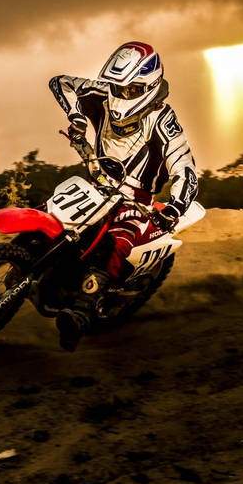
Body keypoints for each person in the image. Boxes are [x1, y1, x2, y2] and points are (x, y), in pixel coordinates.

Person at [48, 41, 198, 351]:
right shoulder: (104, 92)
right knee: (49, 214)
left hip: (135, 201)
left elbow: (186, 170)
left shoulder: (164, 122)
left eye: (129, 90)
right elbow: (60, 82)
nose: (119, 96)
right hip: (95, 182)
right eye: (117, 87)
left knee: (116, 242)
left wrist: (173, 209)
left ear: (149, 86)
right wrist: (76, 117)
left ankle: (80, 314)